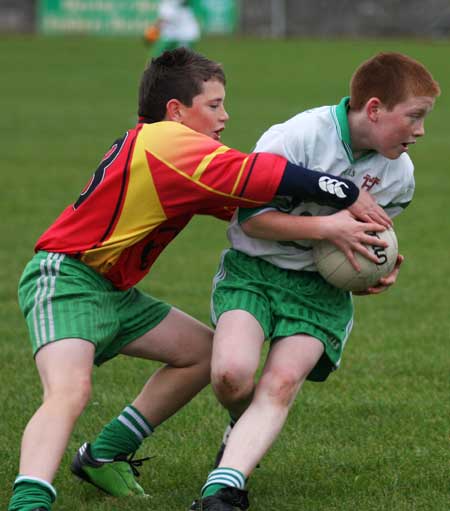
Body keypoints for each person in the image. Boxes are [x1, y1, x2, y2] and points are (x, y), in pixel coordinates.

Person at [7, 47, 389, 511]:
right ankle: (30, 501)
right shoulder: (165, 141)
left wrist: (360, 251)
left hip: (114, 292)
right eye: (214, 105)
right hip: (65, 278)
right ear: (175, 111)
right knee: (70, 390)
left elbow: (257, 213)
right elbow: (254, 173)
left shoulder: (180, 161)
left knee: (203, 354)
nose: (225, 117)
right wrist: (344, 191)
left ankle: (104, 453)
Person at [190, 52, 440, 511]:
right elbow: (253, 221)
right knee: (230, 376)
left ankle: (223, 490)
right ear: (374, 109)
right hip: (256, 271)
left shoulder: (399, 176)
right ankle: (242, 428)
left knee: (282, 381)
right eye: (415, 117)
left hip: (319, 292)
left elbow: (363, 247)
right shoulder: (296, 138)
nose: (421, 131)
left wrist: (374, 268)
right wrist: (330, 227)